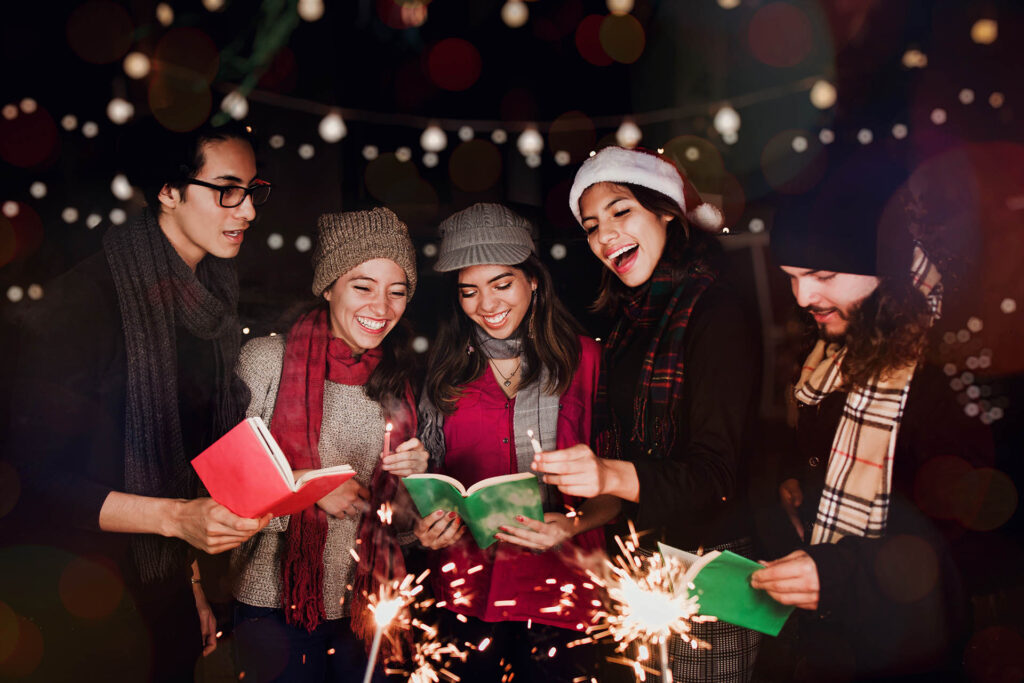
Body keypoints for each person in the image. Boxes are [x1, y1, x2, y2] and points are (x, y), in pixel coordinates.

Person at [1, 121, 273, 681]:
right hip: (72, 596)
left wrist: (190, 585)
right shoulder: (82, 303)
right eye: (226, 190)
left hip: (162, 589)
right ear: (168, 193)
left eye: (252, 192)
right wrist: (177, 520)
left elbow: (182, 468)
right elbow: (30, 481)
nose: (246, 211)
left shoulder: (214, 306)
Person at [749, 153, 993, 681]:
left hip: (921, 652)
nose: (804, 297)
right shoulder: (842, 338)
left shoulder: (958, 364)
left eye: (822, 274)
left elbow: (982, 551)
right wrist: (799, 482)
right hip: (837, 642)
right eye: (791, 276)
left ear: (887, 261)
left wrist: (842, 575)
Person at [533, 146, 763, 681]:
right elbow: (640, 471)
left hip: (713, 576)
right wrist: (579, 519)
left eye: (621, 211)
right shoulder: (625, 323)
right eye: (591, 226)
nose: (605, 236)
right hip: (637, 569)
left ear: (666, 211)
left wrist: (606, 472)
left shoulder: (716, 313)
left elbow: (716, 478)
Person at [414, 203, 619, 682]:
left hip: (564, 592)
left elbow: (621, 483)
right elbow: (422, 485)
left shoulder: (588, 361)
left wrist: (570, 525)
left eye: (501, 284)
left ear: (533, 281)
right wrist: (422, 525)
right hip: (465, 591)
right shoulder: (442, 374)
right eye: (469, 291)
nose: (486, 305)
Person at [229, 207, 429, 683]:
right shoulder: (266, 360)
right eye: (363, 286)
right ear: (328, 286)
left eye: (397, 292)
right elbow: (224, 492)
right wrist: (308, 490)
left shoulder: (398, 380)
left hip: (366, 606)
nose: (381, 308)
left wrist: (415, 482)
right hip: (271, 604)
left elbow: (396, 526)